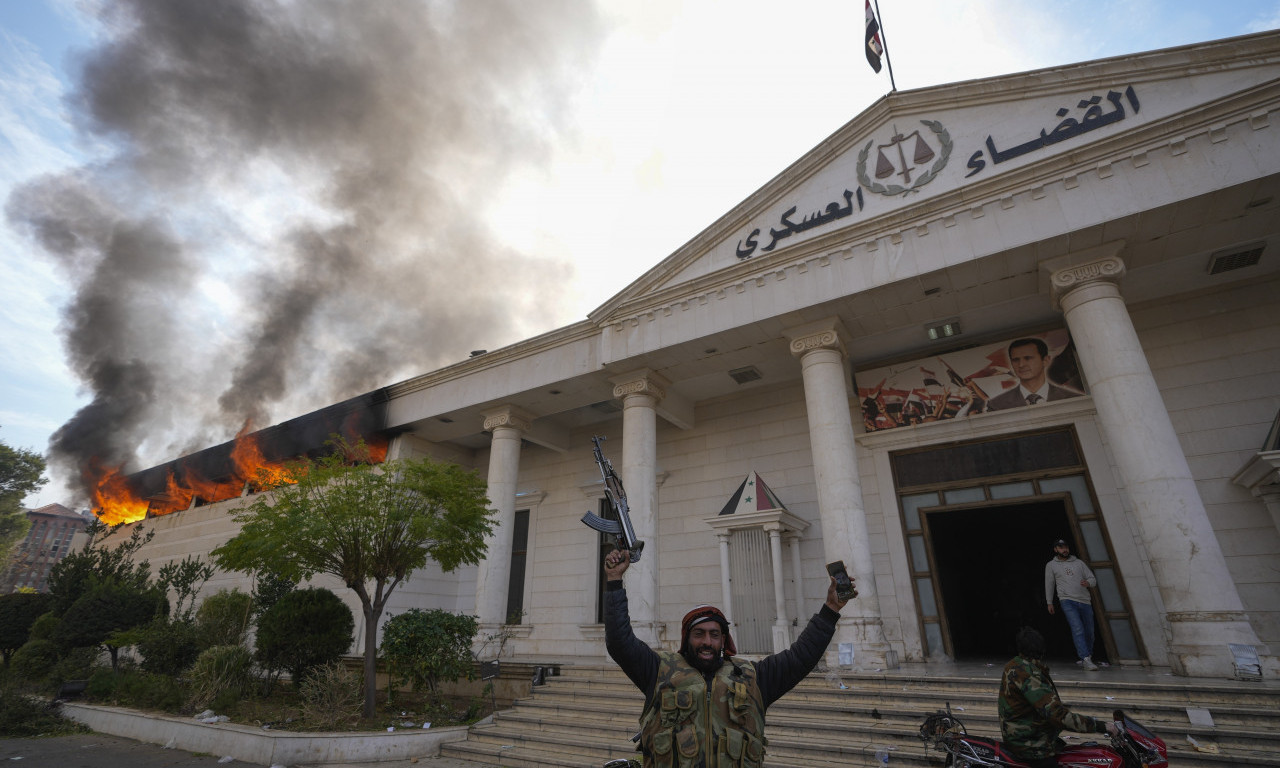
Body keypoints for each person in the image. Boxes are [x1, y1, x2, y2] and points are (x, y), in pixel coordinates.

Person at [603, 548, 850, 768]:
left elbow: (800, 657)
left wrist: (830, 610)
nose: (707, 642)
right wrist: (614, 581)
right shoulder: (659, 671)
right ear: (686, 639)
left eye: (714, 635)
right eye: (699, 634)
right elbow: (619, 642)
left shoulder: (753, 678)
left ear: (724, 640)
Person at [999, 627, 1119, 767]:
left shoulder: (1014, 665)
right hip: (1030, 747)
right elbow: (1058, 716)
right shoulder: (1029, 675)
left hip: (1026, 738)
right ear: (1042, 649)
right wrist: (1102, 726)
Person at [1044, 538, 1100, 670]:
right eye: (1061, 547)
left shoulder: (1079, 563)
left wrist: (1088, 583)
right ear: (1056, 550)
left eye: (1066, 547)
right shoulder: (1051, 565)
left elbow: (1092, 579)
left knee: (1089, 631)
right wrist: (1049, 602)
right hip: (1067, 600)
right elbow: (1049, 584)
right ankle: (1085, 658)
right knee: (1078, 628)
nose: (1064, 550)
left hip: (1084, 600)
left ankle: (1088, 655)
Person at [986, 337, 1081, 410]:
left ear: (1046, 360)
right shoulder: (996, 405)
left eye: (1028, 358)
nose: (1021, 364)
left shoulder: (1074, 399)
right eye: (1016, 360)